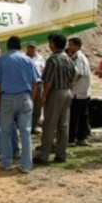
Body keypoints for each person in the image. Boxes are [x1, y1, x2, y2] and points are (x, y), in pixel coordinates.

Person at [0, 36, 39, 173]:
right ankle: (26, 165)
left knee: (5, 131)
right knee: (25, 132)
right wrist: (31, 97)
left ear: (8, 46)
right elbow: (35, 82)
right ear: (20, 46)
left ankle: (6, 162)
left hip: (7, 98)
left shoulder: (2, 59)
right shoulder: (28, 60)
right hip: (25, 97)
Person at [33, 33, 76, 164]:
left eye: (51, 42)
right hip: (67, 91)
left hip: (56, 92)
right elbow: (73, 76)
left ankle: (44, 154)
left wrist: (44, 96)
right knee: (63, 125)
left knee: (49, 124)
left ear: (54, 44)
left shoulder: (52, 60)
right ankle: (61, 154)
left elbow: (48, 80)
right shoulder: (69, 59)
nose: (49, 45)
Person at [67, 37, 91, 146]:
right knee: (81, 116)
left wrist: (70, 83)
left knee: (75, 116)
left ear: (77, 46)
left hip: (78, 91)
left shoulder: (79, 58)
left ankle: (72, 139)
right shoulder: (76, 57)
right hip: (81, 91)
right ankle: (81, 137)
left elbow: (78, 73)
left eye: (71, 45)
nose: (69, 47)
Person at [26, 41, 45, 134]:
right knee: (27, 105)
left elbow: (44, 70)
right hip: (27, 85)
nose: (31, 49)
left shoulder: (40, 58)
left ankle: (34, 126)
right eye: (29, 47)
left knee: (37, 106)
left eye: (33, 48)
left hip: (38, 84)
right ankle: (26, 126)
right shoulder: (23, 58)